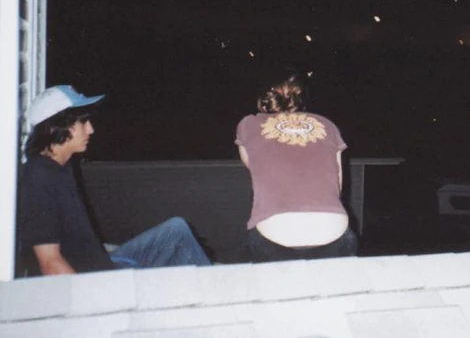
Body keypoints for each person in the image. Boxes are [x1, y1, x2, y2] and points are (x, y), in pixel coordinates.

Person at [17, 85, 211, 276]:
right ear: (55, 127)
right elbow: (50, 263)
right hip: (99, 283)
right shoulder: (38, 179)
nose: (90, 129)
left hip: (106, 264)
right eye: (83, 122)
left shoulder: (63, 166)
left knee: (176, 230)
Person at [235, 72, 357, 262]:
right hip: (333, 233)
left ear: (264, 98)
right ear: (302, 98)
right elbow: (337, 185)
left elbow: (254, 167)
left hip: (274, 237)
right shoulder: (327, 125)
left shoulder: (248, 124)